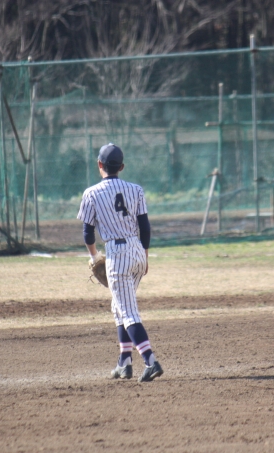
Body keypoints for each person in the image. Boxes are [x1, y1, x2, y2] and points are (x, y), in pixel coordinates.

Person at [77, 143, 164, 383]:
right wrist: (145, 256)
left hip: (117, 253)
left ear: (99, 164)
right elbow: (145, 226)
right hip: (137, 250)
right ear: (122, 167)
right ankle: (124, 362)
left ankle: (150, 361)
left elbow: (87, 233)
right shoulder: (136, 189)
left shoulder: (91, 193)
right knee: (118, 307)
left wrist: (94, 257)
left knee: (127, 311)